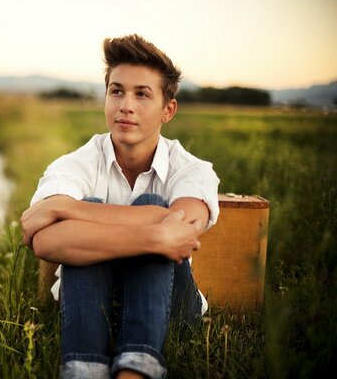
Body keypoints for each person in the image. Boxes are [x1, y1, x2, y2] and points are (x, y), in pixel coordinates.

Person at [21, 34, 220, 379]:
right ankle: (85, 371)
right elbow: (44, 243)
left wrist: (67, 210)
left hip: (168, 308)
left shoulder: (192, 169)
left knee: (150, 202)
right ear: (106, 98)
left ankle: (137, 370)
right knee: (125, 209)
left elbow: (179, 226)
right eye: (117, 91)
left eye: (142, 94)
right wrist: (154, 236)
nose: (125, 105)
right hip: (88, 306)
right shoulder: (76, 163)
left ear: (167, 110)